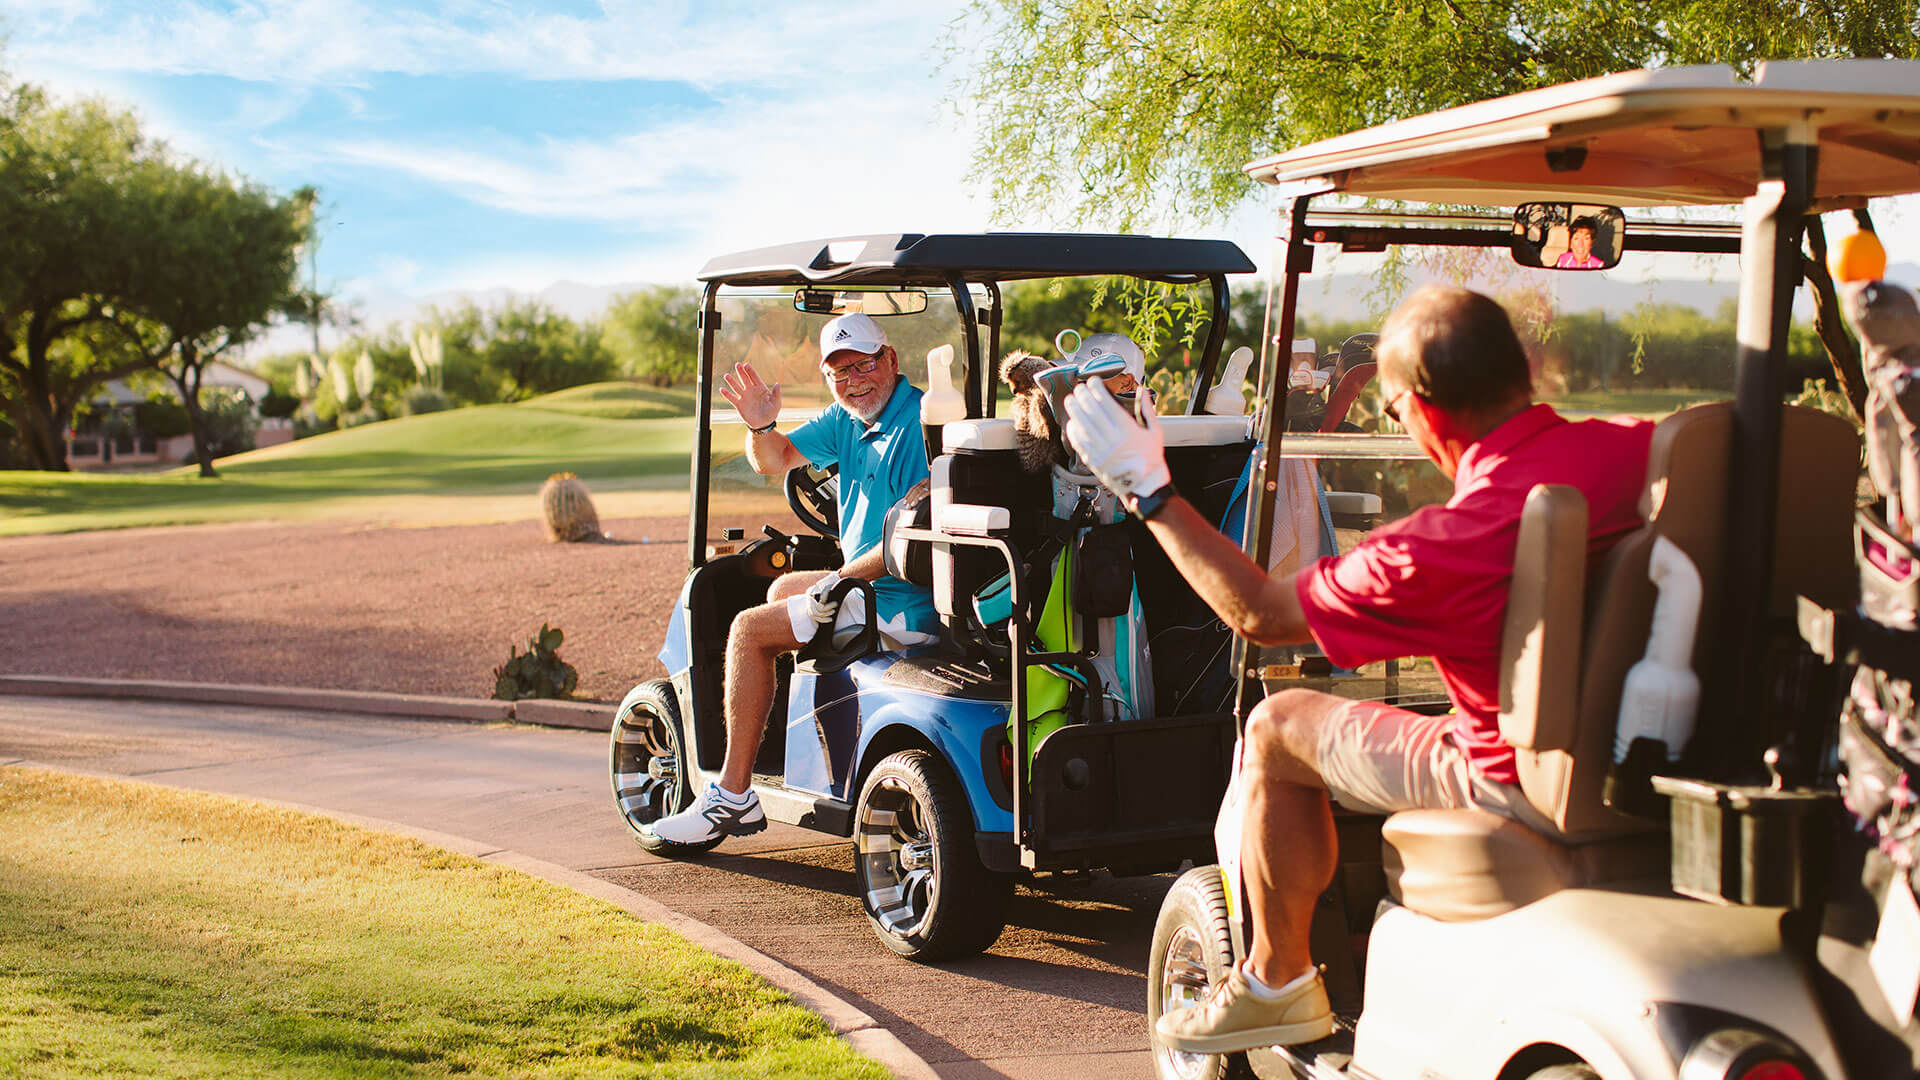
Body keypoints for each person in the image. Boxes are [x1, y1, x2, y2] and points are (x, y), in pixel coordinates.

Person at [1062, 286, 1653, 1052]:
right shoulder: (1641, 451)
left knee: (1278, 723)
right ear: (1523, 375)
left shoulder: (1443, 542)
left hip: (1509, 771)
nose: (1397, 426)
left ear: (1424, 409)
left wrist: (1149, 491)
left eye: (1396, 411)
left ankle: (1278, 982)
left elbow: (1262, 615)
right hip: (1647, 750)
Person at [646, 311, 940, 846]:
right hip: (876, 587)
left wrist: (839, 580)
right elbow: (773, 459)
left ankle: (731, 796)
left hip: (904, 599)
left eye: (865, 364)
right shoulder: (848, 418)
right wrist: (760, 425)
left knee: (747, 632)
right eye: (840, 373)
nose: (855, 380)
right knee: (781, 590)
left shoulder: (918, 425)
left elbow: (908, 537)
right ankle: (799, 740)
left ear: (891, 360)